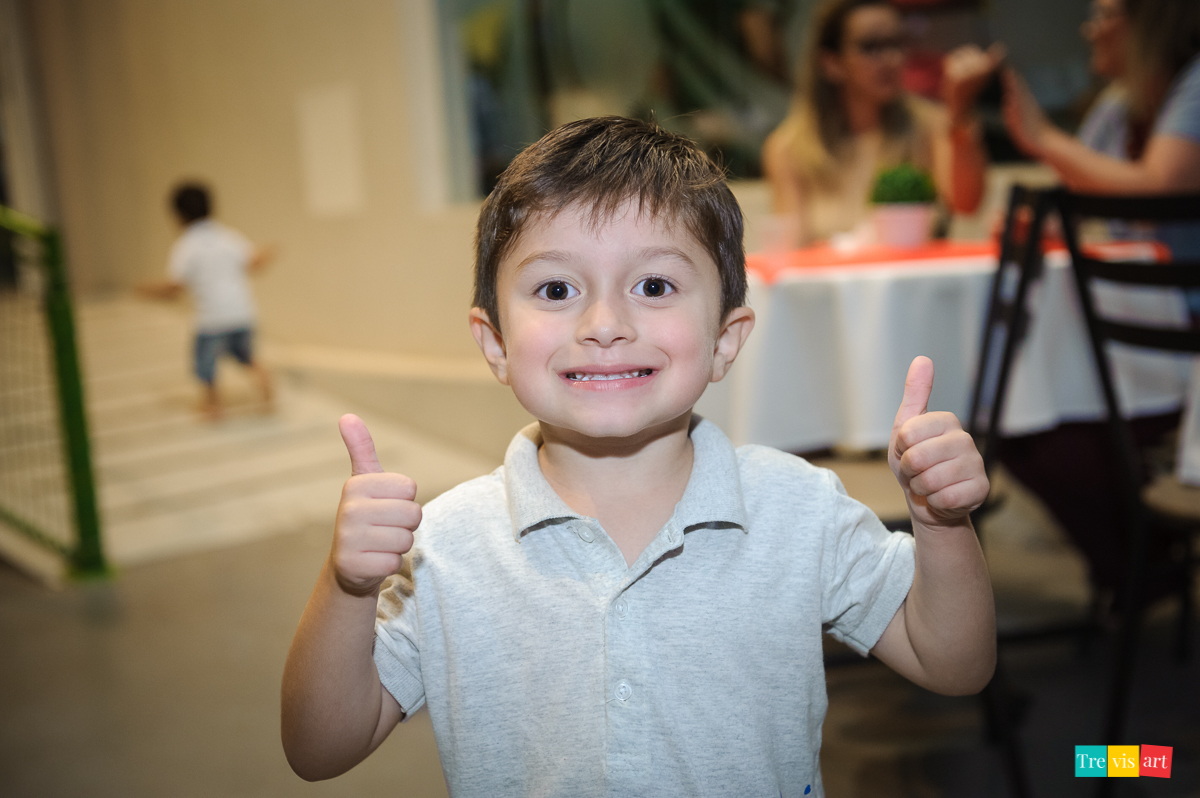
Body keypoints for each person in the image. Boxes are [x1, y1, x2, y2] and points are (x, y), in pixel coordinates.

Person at [281, 117, 995, 796]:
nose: (605, 325)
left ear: (724, 338)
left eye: (654, 286)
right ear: (495, 342)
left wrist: (939, 526)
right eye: (556, 289)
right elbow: (319, 749)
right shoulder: (446, 545)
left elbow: (955, 663)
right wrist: (347, 588)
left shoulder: (797, 507)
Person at [997, 0, 1200, 607]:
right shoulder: (1119, 104)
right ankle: (1140, 562)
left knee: (1033, 421)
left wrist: (1042, 139)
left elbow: (1159, 184)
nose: (1090, 26)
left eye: (1106, 12)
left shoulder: (1193, 85)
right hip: (1123, 332)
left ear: (1150, 20)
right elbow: (1076, 194)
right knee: (1014, 415)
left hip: (1182, 344)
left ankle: (1138, 563)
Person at [762, 0, 1002, 245]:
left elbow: (967, 203)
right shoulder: (789, 147)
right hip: (832, 281)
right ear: (831, 62)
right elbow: (791, 246)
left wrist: (960, 114)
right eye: (871, 47)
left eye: (896, 44)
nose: (890, 58)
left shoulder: (931, 125)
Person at [139, 183, 274, 420]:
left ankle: (214, 406)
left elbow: (175, 286)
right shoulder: (228, 236)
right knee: (248, 357)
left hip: (211, 319)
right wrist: (267, 254)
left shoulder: (186, 246)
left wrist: (148, 290)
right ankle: (268, 396)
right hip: (241, 312)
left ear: (178, 216)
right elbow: (252, 262)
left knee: (206, 365)